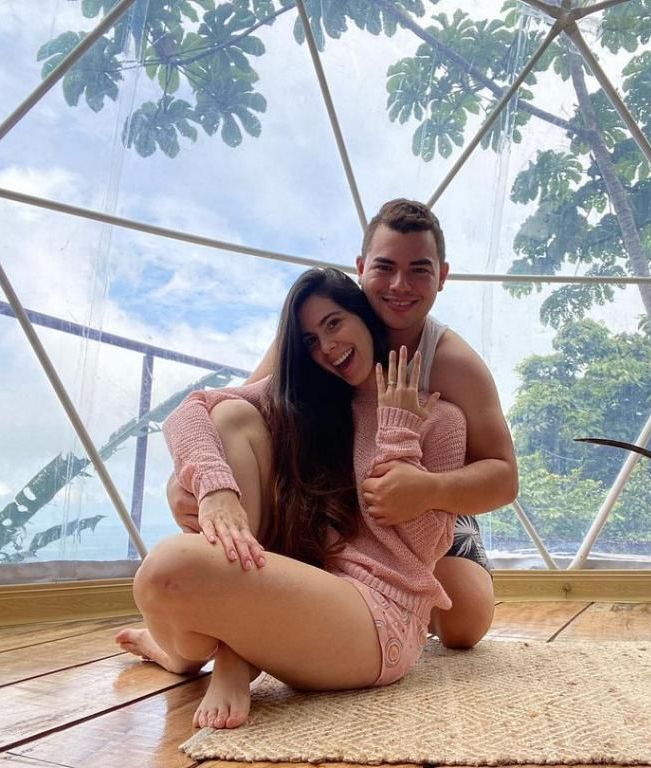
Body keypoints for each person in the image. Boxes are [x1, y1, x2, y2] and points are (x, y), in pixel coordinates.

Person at [117, 268, 467, 730]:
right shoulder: (314, 401)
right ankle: (202, 655)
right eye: (309, 340)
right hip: (299, 581)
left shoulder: (440, 418)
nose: (327, 347)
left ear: (363, 316)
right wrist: (216, 489)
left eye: (334, 323)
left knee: (166, 571)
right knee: (233, 415)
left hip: (377, 617)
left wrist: (399, 434)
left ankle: (228, 654)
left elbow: (419, 548)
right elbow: (189, 413)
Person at [166, 199, 518, 648]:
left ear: (442, 277)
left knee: (464, 621)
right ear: (361, 267)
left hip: (428, 503)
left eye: (419, 270)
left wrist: (428, 490)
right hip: (331, 498)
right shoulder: (322, 331)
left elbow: (504, 478)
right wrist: (195, 481)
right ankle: (228, 627)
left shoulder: (452, 364)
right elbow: (237, 415)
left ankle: (393, 611)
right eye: (385, 267)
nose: (399, 285)